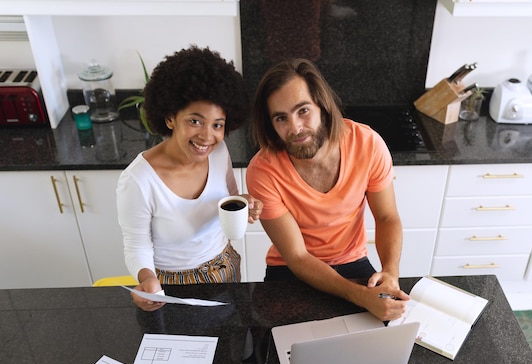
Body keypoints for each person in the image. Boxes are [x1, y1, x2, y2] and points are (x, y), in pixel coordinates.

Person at [246, 58, 408, 321]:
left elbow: (387, 217)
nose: (295, 128)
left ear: (322, 105)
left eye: (303, 111)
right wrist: (357, 295)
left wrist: (390, 272)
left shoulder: (368, 145)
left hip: (352, 261)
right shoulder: (263, 170)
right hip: (290, 268)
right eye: (281, 118)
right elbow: (297, 256)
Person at [117, 45, 262, 311]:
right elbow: (136, 244)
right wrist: (147, 279)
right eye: (195, 121)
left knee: (233, 347)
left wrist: (244, 203)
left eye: (217, 124)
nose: (208, 136)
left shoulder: (219, 153)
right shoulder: (138, 180)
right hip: (171, 287)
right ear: (171, 117)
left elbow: (228, 198)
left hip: (224, 268)